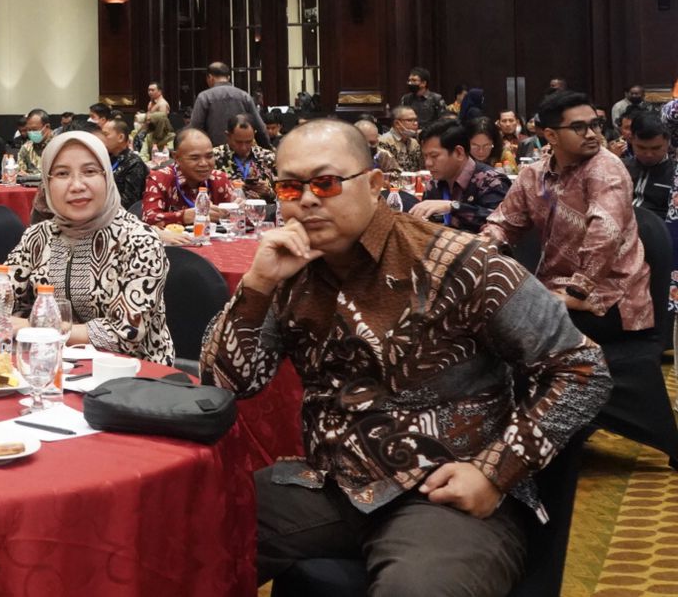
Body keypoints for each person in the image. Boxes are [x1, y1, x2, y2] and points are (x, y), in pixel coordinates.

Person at [201, 119, 610, 594]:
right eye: (291, 187)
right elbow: (227, 386)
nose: (308, 199)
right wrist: (257, 286)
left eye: (326, 183)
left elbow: (582, 368)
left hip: (442, 494)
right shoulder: (290, 270)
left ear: (375, 184)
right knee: (178, 533)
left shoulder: (461, 262)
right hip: (328, 484)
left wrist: (495, 472)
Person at [0, 131, 171, 361]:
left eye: (90, 171)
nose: (77, 185)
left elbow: (125, 334)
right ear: (47, 183)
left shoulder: (139, 240)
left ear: (107, 177)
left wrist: (34, 327)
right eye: (62, 174)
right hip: (47, 367)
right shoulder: (38, 237)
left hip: (133, 373)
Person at [481, 91, 653, 345]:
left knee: (511, 332)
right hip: (555, 292)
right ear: (551, 136)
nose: (592, 134)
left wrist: (577, 291)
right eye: (579, 127)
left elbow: (604, 234)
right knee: (481, 318)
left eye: (595, 125)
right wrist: (481, 250)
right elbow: (503, 223)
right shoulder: (533, 175)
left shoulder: (606, 168)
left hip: (609, 297)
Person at [406, 117, 512, 234]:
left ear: (459, 153)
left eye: (434, 156)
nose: (428, 163)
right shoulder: (434, 184)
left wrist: (453, 207)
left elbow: (503, 222)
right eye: (425, 156)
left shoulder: (491, 181)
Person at [138, 128, 235, 230]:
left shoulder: (220, 179)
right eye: (195, 158)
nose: (204, 163)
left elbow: (241, 221)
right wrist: (184, 216)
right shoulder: (159, 179)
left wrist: (238, 210)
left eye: (209, 156)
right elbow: (148, 220)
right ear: (176, 157)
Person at [187, 62, 272, 150]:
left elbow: (195, 128)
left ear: (210, 77)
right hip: (241, 151)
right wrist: (267, 148)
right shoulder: (244, 96)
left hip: (213, 151)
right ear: (228, 78)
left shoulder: (204, 97)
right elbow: (260, 128)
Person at [624, 109, 675, 217]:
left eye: (656, 148)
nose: (648, 154)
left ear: (668, 142)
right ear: (631, 139)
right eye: (641, 147)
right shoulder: (620, 167)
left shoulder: (675, 174)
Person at [213, 114, 277, 201]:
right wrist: (228, 187)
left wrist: (268, 193)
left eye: (249, 142)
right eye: (238, 142)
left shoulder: (267, 157)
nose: (244, 147)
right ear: (228, 136)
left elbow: (283, 195)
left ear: (254, 135)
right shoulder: (214, 157)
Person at [97, 113, 148, 211]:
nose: (102, 139)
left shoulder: (134, 163)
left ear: (120, 137)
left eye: (105, 134)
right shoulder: (107, 158)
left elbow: (129, 202)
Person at [379, 106, 424, 174]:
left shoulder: (414, 142)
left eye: (416, 120)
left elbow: (421, 167)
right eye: (410, 120)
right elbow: (391, 170)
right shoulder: (383, 142)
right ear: (397, 123)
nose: (415, 123)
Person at [14, 109, 53, 180]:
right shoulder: (26, 148)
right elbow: (20, 173)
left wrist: (29, 176)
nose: (31, 133)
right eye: (29, 130)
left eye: (34, 129)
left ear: (47, 127)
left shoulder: (59, 146)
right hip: (29, 186)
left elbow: (54, 175)